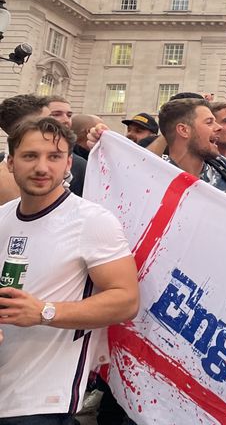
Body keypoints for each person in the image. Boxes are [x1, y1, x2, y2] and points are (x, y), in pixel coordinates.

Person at [0, 117, 139, 422]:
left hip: (41, 403)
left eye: (54, 157)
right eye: (29, 156)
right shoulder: (3, 217)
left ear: (68, 164)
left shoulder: (92, 220)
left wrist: (44, 312)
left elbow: (126, 300)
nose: (41, 167)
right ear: (10, 163)